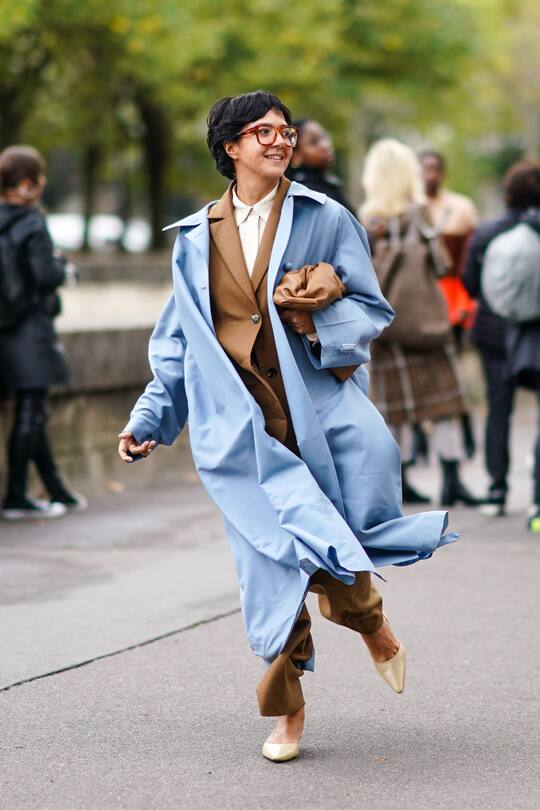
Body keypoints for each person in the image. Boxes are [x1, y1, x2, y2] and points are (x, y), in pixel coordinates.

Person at [118, 91, 457, 763]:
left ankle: (369, 622)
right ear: (231, 148)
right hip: (239, 431)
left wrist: (315, 317)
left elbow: (371, 306)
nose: (279, 141)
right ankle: (288, 710)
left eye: (286, 131)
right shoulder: (193, 239)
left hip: (317, 416)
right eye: (262, 132)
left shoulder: (324, 217)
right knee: (270, 567)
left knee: (334, 544)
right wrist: (152, 415)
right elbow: (181, 341)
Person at [360, 139, 482, 507]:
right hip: (426, 325)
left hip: (386, 328)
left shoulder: (365, 219)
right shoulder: (419, 214)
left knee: (392, 409)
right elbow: (442, 264)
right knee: (442, 405)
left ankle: (398, 483)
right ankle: (451, 479)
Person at [0, 145, 86, 520]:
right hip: (30, 328)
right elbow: (45, 276)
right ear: (27, 183)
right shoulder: (32, 221)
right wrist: (63, 268)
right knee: (31, 410)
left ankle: (56, 490)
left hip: (4, 327)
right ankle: (17, 495)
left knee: (32, 413)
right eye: (39, 176)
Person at [463, 160, 540, 523]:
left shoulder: (488, 232)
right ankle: (537, 495)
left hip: (494, 333)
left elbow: (470, 281)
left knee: (498, 409)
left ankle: (497, 488)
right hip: (535, 333)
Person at [420, 150, 478, 459]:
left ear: (442, 172)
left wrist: (470, 301)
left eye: (434, 169)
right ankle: (419, 441)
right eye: (424, 169)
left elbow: (472, 257)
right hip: (420, 300)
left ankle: (466, 433)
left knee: (453, 370)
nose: (429, 175)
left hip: (453, 298)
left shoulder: (461, 207)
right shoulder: (409, 209)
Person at [286, 118, 355, 213]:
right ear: (295, 157)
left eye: (324, 137)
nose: (325, 145)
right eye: (313, 142)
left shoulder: (329, 184)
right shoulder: (306, 195)